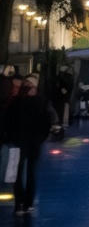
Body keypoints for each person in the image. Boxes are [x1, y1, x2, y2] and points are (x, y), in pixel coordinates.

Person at [8, 74, 57, 215]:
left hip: (24, 141)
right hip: (28, 141)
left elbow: (9, 120)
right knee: (26, 172)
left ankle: (22, 203)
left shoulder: (18, 101)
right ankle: (24, 203)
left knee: (22, 172)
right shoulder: (40, 101)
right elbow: (47, 121)